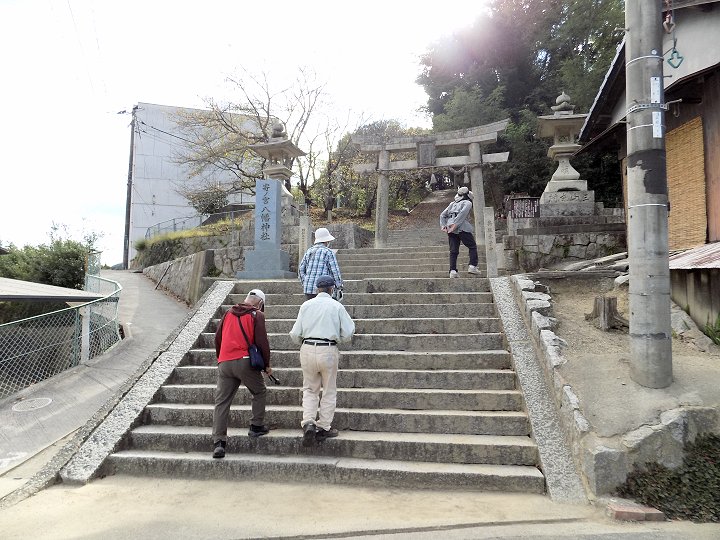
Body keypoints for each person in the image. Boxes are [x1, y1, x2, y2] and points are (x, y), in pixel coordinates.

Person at [289, 274, 355, 448]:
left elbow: (295, 333)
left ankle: (308, 422)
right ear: (332, 289)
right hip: (328, 348)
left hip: (307, 347)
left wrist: (304, 341)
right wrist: (338, 339)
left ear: (317, 289)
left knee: (310, 389)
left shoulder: (306, 305)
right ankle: (324, 426)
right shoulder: (337, 306)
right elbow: (349, 331)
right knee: (329, 390)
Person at [211, 289, 272, 458]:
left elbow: (217, 337)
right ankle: (256, 426)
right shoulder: (256, 315)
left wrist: (221, 358)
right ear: (260, 303)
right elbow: (262, 342)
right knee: (259, 391)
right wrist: (266, 365)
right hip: (244, 361)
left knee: (222, 402)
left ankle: (219, 442)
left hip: (224, 362)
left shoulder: (228, 313)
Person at [440, 186, 482, 278]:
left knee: (453, 250)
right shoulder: (467, 203)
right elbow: (462, 214)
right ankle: (472, 266)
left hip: (450, 229)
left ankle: (453, 271)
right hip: (462, 228)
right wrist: (455, 225)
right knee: (472, 246)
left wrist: (443, 225)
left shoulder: (452, 204)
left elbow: (442, 215)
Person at [298, 227, 343, 300]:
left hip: (308, 289)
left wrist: (305, 282)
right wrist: (339, 286)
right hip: (324, 289)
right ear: (326, 241)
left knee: (311, 307)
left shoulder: (309, 251)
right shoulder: (328, 252)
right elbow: (335, 271)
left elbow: (301, 270)